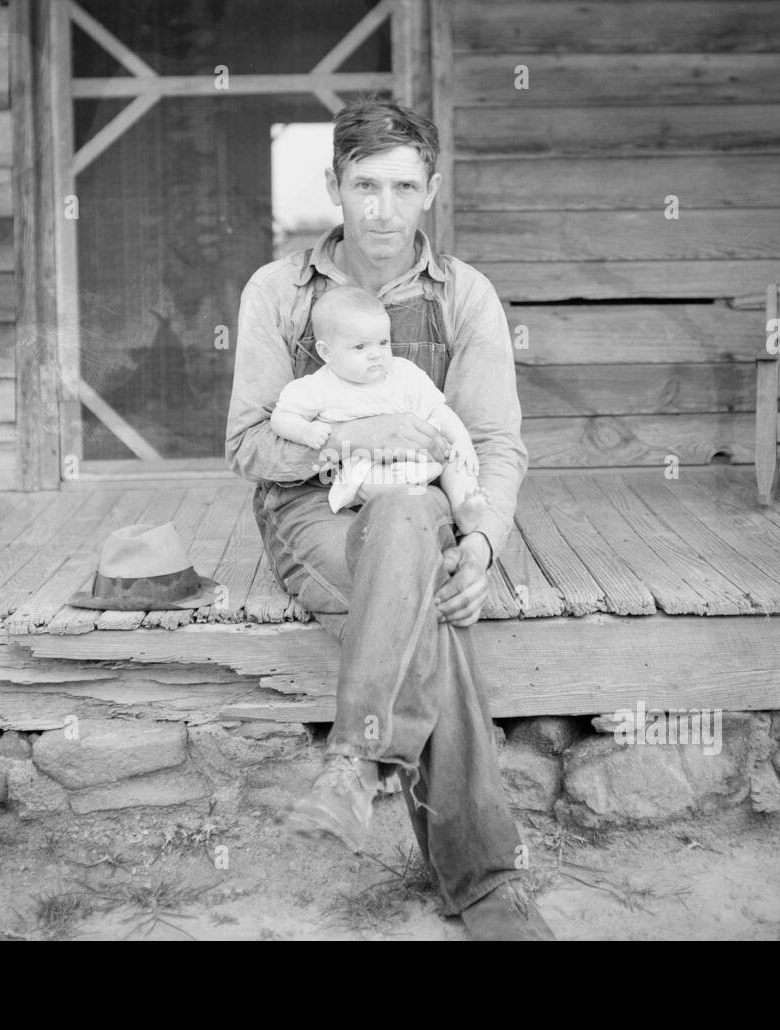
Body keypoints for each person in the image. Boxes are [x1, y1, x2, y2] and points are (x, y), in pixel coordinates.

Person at [225, 99, 553, 940]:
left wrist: (480, 543)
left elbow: (493, 444)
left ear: (431, 191)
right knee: (423, 612)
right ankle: (484, 884)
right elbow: (248, 446)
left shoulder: (464, 298)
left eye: (403, 187)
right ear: (334, 186)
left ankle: (352, 762)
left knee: (410, 515)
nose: (382, 209)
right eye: (364, 184)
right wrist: (353, 437)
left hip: (427, 514)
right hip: (316, 515)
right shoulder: (279, 293)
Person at [268, 283, 491, 531]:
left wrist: (463, 441)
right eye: (360, 347)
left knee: (457, 464)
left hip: (424, 454)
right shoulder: (319, 387)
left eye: (383, 342)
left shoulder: (403, 373)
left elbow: (438, 409)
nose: (376, 354)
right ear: (326, 353)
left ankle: (465, 509)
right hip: (369, 464)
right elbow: (281, 417)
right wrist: (305, 431)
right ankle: (405, 503)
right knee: (374, 482)